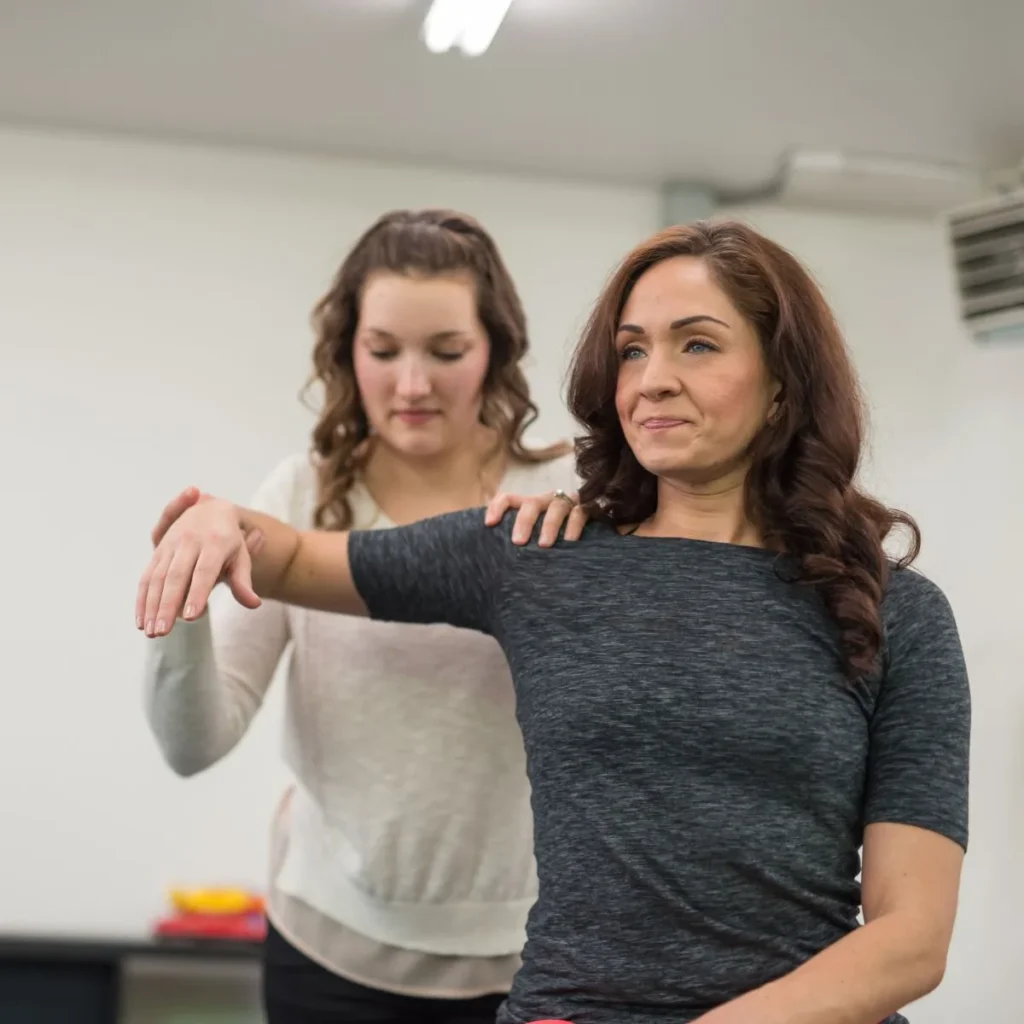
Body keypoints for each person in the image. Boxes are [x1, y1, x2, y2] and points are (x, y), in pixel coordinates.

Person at [138, 219, 970, 1024]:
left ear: (784, 380)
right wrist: (215, 521)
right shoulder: (541, 553)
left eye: (698, 344)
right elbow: (286, 555)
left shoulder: (900, 614)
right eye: (632, 350)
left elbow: (913, 938)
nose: (653, 378)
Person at [142, 208, 586, 1024]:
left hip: (537, 958)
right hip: (327, 953)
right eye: (383, 352)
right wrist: (185, 588)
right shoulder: (302, 497)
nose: (411, 385)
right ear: (349, 349)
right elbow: (191, 744)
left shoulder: (564, 499)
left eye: (446, 353)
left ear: (495, 349)